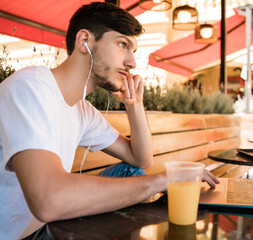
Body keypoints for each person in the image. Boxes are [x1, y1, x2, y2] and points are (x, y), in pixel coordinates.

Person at [0, 2, 219, 239]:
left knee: (130, 171)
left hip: (46, 225)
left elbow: (140, 159)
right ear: (85, 41)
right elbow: (48, 200)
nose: (132, 62)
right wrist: (161, 181)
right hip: (21, 235)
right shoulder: (29, 88)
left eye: (133, 51)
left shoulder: (83, 110)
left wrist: (134, 105)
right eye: (122, 44)